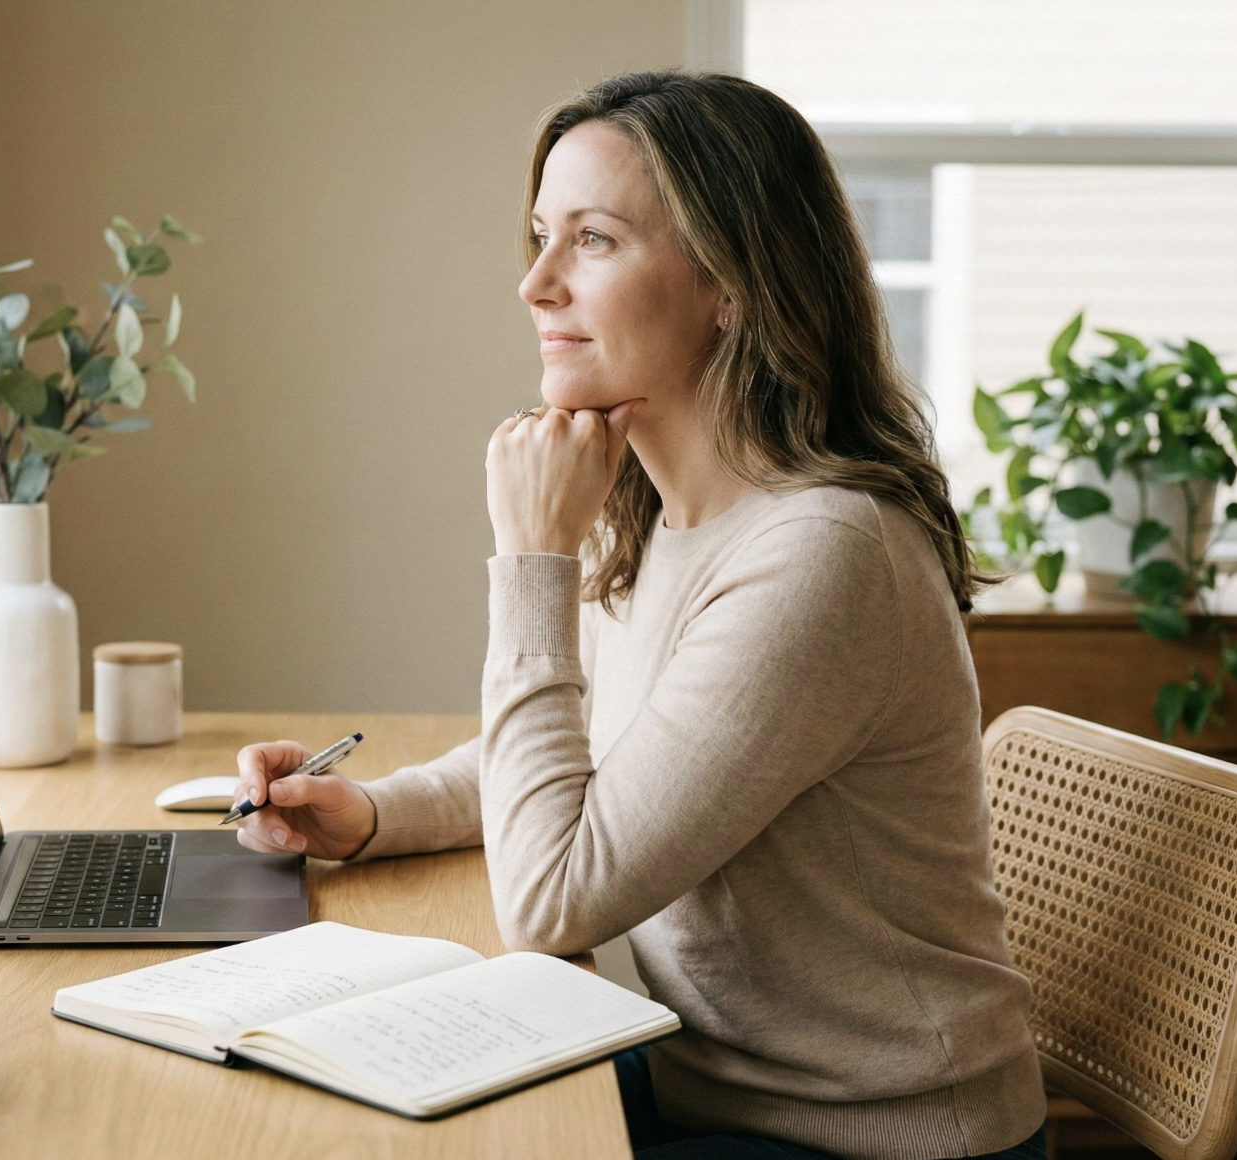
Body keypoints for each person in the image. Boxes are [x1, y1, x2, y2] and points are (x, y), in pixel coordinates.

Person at [232, 71, 1047, 1160]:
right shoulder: (671, 512)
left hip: (860, 1132)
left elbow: (553, 896)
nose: (534, 283)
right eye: (538, 236)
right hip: (707, 1078)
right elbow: (596, 755)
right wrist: (373, 810)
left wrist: (531, 556)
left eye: (594, 240)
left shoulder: (823, 557)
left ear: (732, 285)